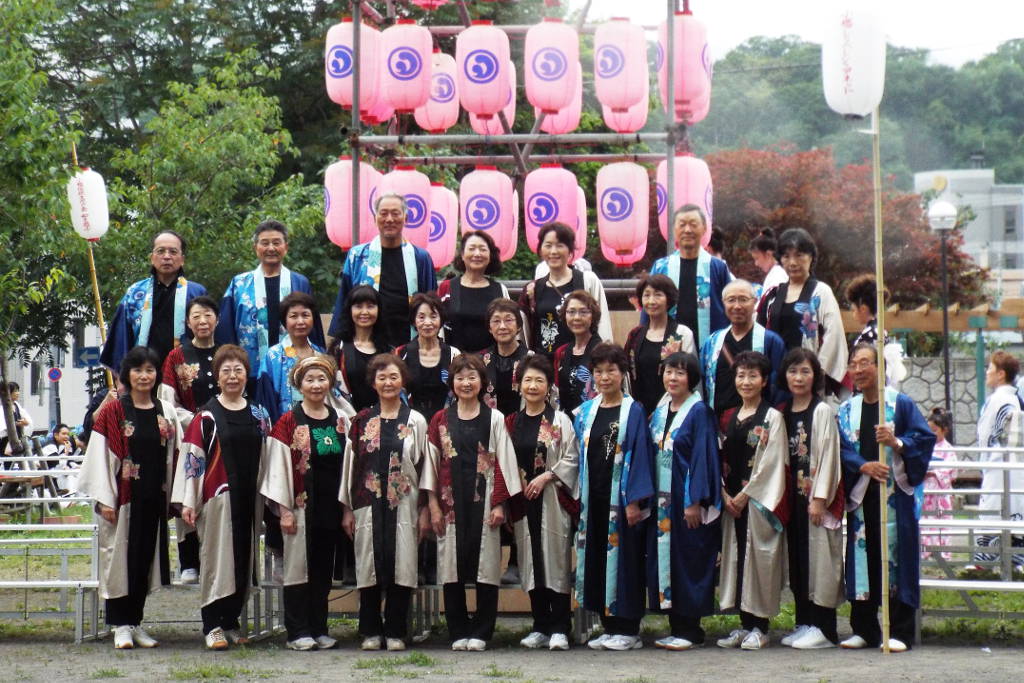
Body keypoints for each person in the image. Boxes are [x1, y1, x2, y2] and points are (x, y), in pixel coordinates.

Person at [77, 346, 183, 650]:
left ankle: (135, 622)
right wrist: (105, 499)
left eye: (150, 370)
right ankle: (119, 625)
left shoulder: (165, 410)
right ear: (127, 374)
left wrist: (175, 497)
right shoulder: (114, 411)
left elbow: (175, 453)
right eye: (138, 370)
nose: (144, 376)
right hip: (121, 499)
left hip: (153, 498)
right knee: (118, 561)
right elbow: (99, 455)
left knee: (143, 560)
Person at [838, 343, 936, 652]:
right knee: (862, 560)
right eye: (854, 364)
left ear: (880, 368)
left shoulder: (900, 404)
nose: (858, 369)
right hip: (861, 495)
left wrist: (896, 442)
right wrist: (862, 465)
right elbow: (840, 449)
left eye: (865, 363)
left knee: (896, 559)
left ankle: (900, 631)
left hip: (894, 498)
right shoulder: (847, 409)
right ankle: (864, 628)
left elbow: (924, 438)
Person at [172, 345, 271, 650]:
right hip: (217, 498)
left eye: (238, 370)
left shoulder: (258, 414)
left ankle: (231, 621)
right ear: (217, 376)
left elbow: (268, 457)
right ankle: (212, 624)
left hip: (250, 498)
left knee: (243, 558)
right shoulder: (206, 416)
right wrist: (189, 501)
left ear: (246, 374)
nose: (232, 376)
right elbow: (193, 459)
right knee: (216, 558)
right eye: (226, 371)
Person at [422, 354, 521, 652]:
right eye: (460, 377)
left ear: (482, 382)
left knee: (486, 567)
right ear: (452, 383)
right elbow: (430, 465)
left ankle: (481, 630)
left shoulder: (495, 418)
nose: (466, 383)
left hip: (485, 501)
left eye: (472, 377)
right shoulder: (440, 419)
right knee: (450, 567)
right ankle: (457, 629)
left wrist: (500, 504)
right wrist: (433, 506)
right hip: (449, 504)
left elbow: (504, 463)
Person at [261, 355, 356, 651]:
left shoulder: (341, 420)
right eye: (309, 380)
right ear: (298, 384)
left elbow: (349, 467)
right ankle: (297, 631)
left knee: (322, 570)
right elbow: (276, 467)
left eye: (321, 379)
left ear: (329, 383)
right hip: (299, 507)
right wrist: (284, 511)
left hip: (330, 507)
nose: (316, 385)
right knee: (297, 569)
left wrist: (347, 509)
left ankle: (319, 628)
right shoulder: (288, 422)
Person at [340, 355, 429, 652]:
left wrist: (425, 508)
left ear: (403, 380)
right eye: (382, 378)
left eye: (393, 376)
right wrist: (346, 509)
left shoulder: (416, 420)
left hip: (404, 504)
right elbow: (350, 467)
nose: (388, 382)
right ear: (373, 383)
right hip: (366, 505)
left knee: (402, 566)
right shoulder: (362, 420)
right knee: (369, 566)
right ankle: (369, 630)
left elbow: (425, 466)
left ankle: (396, 631)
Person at [574, 343, 654, 652]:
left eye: (611, 371)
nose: (604, 377)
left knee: (626, 562)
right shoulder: (587, 411)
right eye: (598, 371)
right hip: (593, 499)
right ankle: (609, 626)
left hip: (620, 501)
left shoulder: (634, 411)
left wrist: (634, 500)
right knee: (597, 559)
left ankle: (629, 628)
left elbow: (642, 454)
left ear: (623, 374)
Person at [646, 352, 720, 651]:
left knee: (689, 560)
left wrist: (694, 501)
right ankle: (677, 626)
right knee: (669, 561)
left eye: (680, 372)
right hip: (662, 502)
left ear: (691, 378)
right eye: (668, 372)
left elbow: (703, 457)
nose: (673, 378)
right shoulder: (661, 410)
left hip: (685, 500)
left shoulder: (699, 411)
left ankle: (691, 629)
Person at [505, 355, 579, 652]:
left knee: (555, 560)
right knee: (531, 561)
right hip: (524, 502)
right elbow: (503, 461)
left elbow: (572, 457)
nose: (533, 386)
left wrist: (548, 476)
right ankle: (540, 625)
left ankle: (560, 627)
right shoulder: (512, 422)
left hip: (552, 499)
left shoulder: (560, 420)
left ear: (549, 386)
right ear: (519, 385)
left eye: (539, 380)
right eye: (528, 380)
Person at [716, 351, 788, 651]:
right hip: (731, 502)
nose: (746, 382)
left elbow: (772, 462)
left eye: (753, 376)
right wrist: (724, 495)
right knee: (736, 562)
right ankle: (745, 625)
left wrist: (745, 496)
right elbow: (718, 458)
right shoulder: (727, 416)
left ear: (764, 380)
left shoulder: (773, 417)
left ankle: (760, 626)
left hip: (758, 502)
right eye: (741, 375)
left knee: (759, 563)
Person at [777, 349, 845, 650]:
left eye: (805, 371)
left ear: (815, 376)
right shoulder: (782, 411)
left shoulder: (822, 411)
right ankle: (804, 622)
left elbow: (829, 456)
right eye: (793, 371)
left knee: (821, 563)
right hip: (792, 500)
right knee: (799, 562)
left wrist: (819, 498)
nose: (798, 377)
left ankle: (825, 628)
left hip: (815, 500)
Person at [216, 220, 325, 390]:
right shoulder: (239, 284)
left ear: (286, 247)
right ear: (255, 247)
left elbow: (312, 325)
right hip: (248, 371)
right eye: (265, 243)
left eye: (276, 242)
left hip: (295, 369)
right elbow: (226, 328)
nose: (271, 248)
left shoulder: (299, 282)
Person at [329, 193, 438, 347]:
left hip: (410, 342)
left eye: (395, 213)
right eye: (384, 213)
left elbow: (431, 303)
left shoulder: (420, 258)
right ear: (375, 218)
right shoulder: (358, 256)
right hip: (366, 343)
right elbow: (344, 301)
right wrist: (340, 343)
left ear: (406, 218)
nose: (389, 219)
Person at [756, 228, 848, 398]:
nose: (792, 262)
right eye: (786, 256)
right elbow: (759, 333)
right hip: (776, 380)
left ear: (811, 257)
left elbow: (833, 334)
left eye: (799, 255)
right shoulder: (773, 295)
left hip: (807, 379)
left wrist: (818, 372)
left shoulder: (820, 292)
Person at [100, 230, 207, 372]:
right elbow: (121, 337)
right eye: (161, 251)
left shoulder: (196, 292)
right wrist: (121, 377)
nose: (167, 256)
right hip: (144, 375)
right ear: (152, 258)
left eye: (173, 252)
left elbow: (209, 337)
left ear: (182, 259)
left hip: (188, 374)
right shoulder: (135, 293)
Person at [518, 222, 611, 357]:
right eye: (548, 245)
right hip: (544, 364)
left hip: (581, 362)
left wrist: (604, 357)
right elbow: (524, 331)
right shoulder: (533, 289)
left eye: (560, 245)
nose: (553, 251)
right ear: (541, 250)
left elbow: (602, 323)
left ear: (570, 250)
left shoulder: (588, 281)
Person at [700, 280, 786, 422]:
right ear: (723, 303)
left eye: (743, 299)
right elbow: (703, 384)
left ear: (755, 302)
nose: (737, 306)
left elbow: (779, 387)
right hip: (717, 423)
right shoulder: (712, 342)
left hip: (757, 423)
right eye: (731, 300)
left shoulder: (770, 341)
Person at [649, 204, 730, 348]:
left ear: (704, 228)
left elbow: (729, 306)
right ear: (674, 229)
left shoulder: (717, 267)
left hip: (711, 345)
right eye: (682, 225)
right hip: (669, 346)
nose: (687, 230)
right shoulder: (661, 267)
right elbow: (649, 306)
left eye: (693, 224)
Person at [974, 351, 1024, 568]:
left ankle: (985, 564)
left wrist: (984, 459)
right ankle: (1014, 564)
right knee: (1012, 515)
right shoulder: (1014, 399)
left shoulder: (998, 400)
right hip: (1014, 467)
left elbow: (987, 436)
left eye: (990, 368)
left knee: (994, 514)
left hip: (998, 465)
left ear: (1001, 374)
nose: (987, 372)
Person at [624, 274, 696, 416]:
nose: (651, 301)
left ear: (669, 299)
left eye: (658, 295)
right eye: (646, 295)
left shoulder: (682, 334)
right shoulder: (635, 335)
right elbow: (625, 372)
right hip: (639, 412)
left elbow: (692, 376)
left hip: (674, 411)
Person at [257, 292, 329, 424]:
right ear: (284, 320)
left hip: (320, 426)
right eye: (293, 316)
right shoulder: (273, 356)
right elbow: (266, 401)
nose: (300, 321)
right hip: (285, 427)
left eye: (305, 315)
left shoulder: (321, 355)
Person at [438, 230, 511, 354]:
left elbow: (509, 326)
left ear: (490, 256)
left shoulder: (499, 290)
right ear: (462, 255)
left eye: (483, 249)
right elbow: (437, 327)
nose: (477, 254)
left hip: (492, 361)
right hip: (455, 361)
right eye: (472, 249)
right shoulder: (447, 288)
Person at [396, 293, 461, 422]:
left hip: (447, 423)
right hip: (409, 423)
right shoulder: (401, 354)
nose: (427, 322)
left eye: (433, 316)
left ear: (441, 319)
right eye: (421, 317)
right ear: (414, 320)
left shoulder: (454, 354)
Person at [160, 296, 222, 428]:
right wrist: (198, 422)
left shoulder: (227, 354)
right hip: (191, 430)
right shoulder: (176, 357)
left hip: (228, 429)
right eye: (196, 317)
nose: (203, 321)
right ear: (188, 322)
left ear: (217, 319)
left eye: (208, 315)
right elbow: (167, 402)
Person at [329, 285, 392, 413]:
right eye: (358, 306)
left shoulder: (389, 350)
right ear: (350, 310)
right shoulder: (338, 349)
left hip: (384, 417)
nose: (364, 312)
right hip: (347, 418)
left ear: (379, 310)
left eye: (370, 306)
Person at [844, 274, 907, 388]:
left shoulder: (869, 334)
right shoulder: (879, 331)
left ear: (863, 309)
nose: (853, 315)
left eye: (854, 310)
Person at [553, 291, 605, 418]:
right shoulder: (561, 352)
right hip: (566, 422)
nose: (577, 317)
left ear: (593, 316)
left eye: (583, 312)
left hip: (594, 419)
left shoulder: (603, 351)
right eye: (571, 312)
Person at [481, 298, 531, 416]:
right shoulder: (480, 361)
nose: (502, 326)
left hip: (522, 423)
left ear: (519, 326)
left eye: (508, 320)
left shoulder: (532, 360)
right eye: (496, 321)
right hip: (489, 424)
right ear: (489, 328)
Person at [923, 407, 956, 561]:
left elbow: (952, 470)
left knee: (942, 523)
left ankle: (943, 553)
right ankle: (926, 552)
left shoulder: (948, 449)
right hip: (926, 491)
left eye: (934, 431)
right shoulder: (925, 446)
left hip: (941, 494)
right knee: (925, 522)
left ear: (944, 430)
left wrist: (935, 472)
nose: (931, 434)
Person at [749, 228, 787, 303]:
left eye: (757, 258)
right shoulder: (775, 273)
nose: (756, 263)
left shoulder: (778, 277)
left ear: (768, 254)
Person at [40, 423, 79, 492]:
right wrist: (66, 452)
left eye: (68, 434)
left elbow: (68, 462)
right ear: (56, 435)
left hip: (50, 476)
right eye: (64, 434)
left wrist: (75, 466)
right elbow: (57, 465)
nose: (66, 436)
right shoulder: (50, 446)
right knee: (68, 476)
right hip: (42, 476)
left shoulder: (61, 446)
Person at [1, 382, 32, 461]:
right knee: (7, 460)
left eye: (18, 390)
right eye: (15, 391)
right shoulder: (3, 407)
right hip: (6, 439)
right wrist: (17, 424)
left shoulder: (17, 405)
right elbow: (3, 425)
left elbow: (27, 420)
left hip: (18, 438)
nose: (18, 393)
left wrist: (25, 423)